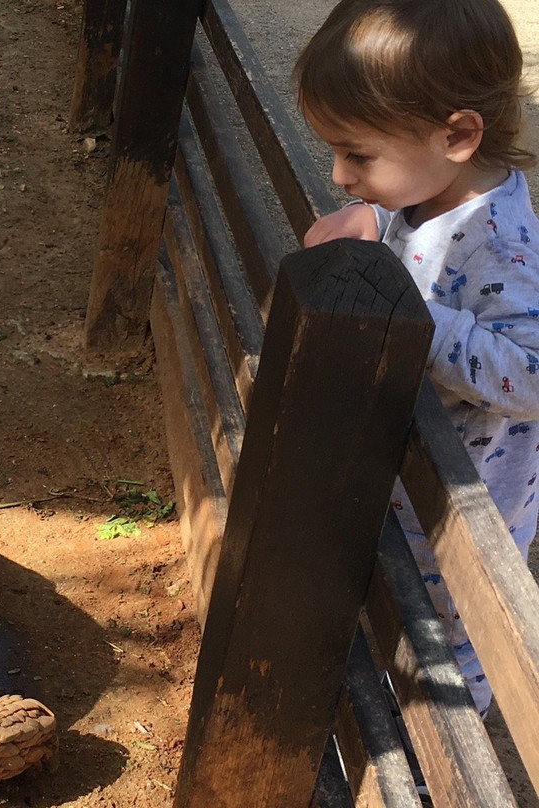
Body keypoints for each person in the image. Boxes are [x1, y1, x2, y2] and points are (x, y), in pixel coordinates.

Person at [294, 0, 539, 718]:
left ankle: (438, 759)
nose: (339, 174)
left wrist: (418, 322)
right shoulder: (430, 192)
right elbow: (412, 230)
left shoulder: (501, 245)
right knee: (387, 608)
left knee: (451, 644)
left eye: (357, 156)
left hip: (465, 505)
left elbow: (532, 374)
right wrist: (376, 217)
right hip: (405, 476)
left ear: (458, 135)